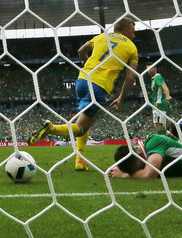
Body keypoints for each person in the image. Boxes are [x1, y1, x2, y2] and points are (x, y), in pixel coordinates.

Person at [28, 17, 138, 171]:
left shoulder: (101, 36)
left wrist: (87, 64)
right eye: (133, 32)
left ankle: (80, 161)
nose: (134, 35)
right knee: (80, 128)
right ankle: (51, 129)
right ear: (126, 30)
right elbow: (131, 77)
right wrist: (121, 97)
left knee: (85, 123)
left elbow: (81, 51)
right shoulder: (131, 47)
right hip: (100, 86)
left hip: (82, 80)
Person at [146, 63, 173, 135]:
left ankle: (163, 141)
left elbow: (164, 86)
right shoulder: (153, 79)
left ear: (155, 68)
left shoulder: (158, 77)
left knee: (159, 125)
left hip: (159, 103)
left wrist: (168, 95)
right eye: (147, 69)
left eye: (150, 68)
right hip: (156, 103)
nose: (149, 70)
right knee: (159, 125)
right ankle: (173, 140)